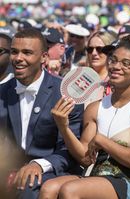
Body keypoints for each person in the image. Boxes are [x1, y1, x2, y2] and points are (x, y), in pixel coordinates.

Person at [39, 33, 130, 199]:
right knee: (49, 188)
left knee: (71, 190)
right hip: (96, 176)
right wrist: (63, 126)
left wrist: (102, 141)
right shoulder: (94, 107)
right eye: (113, 60)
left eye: (126, 64)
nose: (116, 66)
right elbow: (85, 158)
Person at [0, 28, 84, 199]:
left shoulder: (65, 95)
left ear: (44, 57)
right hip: (8, 167)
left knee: (29, 185)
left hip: (48, 171)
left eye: (27, 53)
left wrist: (39, 164)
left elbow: (68, 150)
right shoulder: (2, 92)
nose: (18, 58)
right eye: (14, 52)